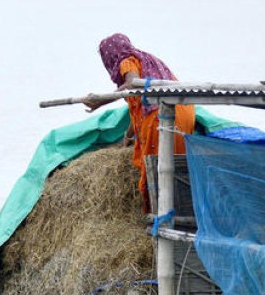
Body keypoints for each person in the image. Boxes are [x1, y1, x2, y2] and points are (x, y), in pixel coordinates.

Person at [82, 33, 195, 212]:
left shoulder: (126, 61)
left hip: (163, 118)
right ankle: (179, 211)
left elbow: (133, 84)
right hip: (184, 113)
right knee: (176, 169)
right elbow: (139, 105)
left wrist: (101, 101)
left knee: (158, 170)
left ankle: (160, 215)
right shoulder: (148, 61)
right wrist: (128, 135)